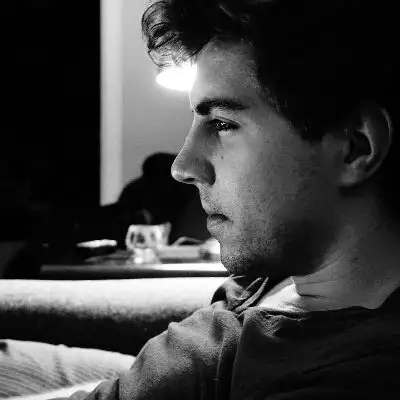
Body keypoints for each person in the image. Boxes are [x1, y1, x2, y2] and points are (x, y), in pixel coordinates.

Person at [7, 0, 400, 398]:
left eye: (223, 123)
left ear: (354, 147)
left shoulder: (358, 374)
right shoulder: (285, 264)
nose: (181, 166)